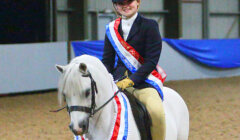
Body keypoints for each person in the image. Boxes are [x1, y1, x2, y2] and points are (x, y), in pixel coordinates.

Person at [102, 0, 166, 139]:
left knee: (156, 112)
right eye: (120, 3)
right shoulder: (111, 29)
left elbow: (151, 61)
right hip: (117, 81)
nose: (125, 6)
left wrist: (132, 80)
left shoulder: (150, 26)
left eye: (129, 1)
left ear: (138, 2)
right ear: (115, 6)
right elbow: (107, 61)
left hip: (143, 81)